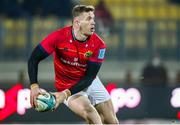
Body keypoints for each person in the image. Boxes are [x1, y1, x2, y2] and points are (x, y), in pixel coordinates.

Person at [28, 5, 119, 124]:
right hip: (66, 85)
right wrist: (34, 87)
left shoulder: (99, 45)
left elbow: (89, 78)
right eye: (88, 19)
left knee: (112, 122)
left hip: (88, 81)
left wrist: (63, 95)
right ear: (77, 23)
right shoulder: (58, 37)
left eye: (93, 19)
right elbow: (34, 58)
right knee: (92, 115)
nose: (93, 23)